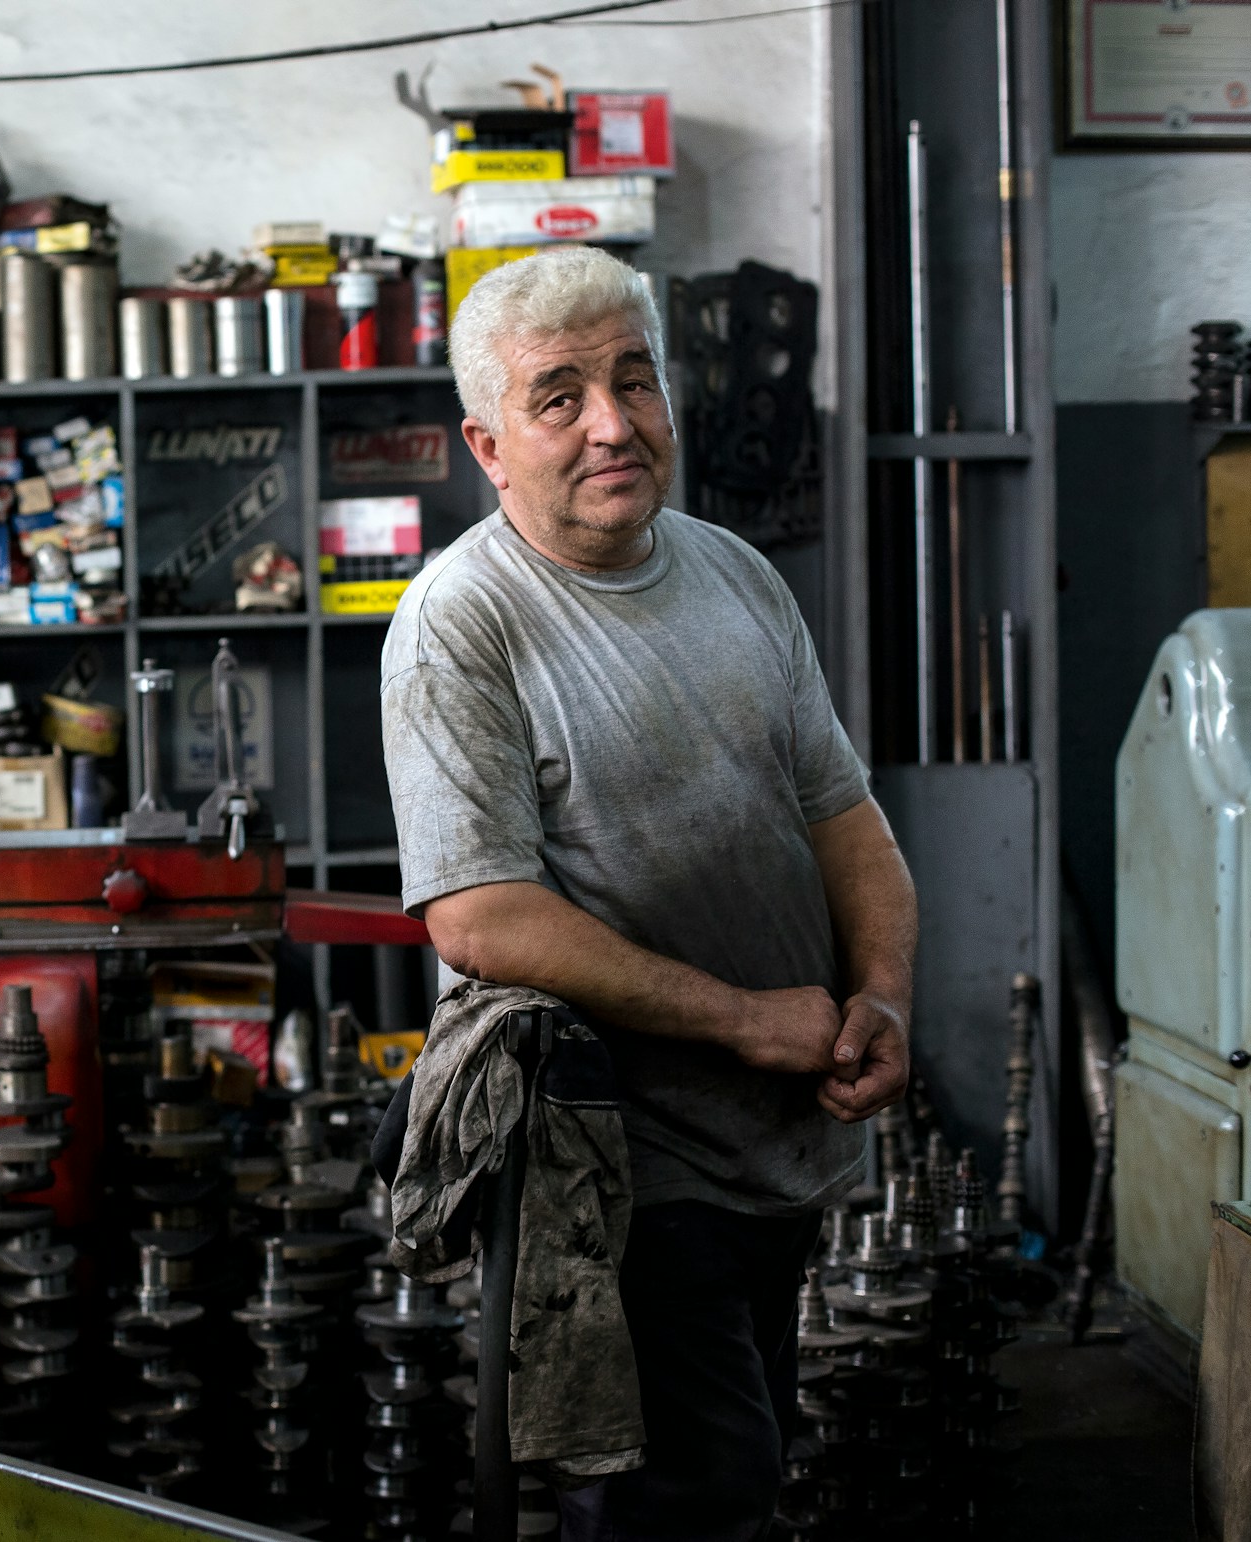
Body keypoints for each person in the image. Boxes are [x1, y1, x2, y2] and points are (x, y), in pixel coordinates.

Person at [380, 245, 916, 1541]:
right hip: (620, 1162)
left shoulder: (736, 574)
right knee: (693, 1490)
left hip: (780, 1138)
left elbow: (843, 814)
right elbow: (480, 913)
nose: (613, 422)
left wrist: (882, 996)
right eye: (559, 395)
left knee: (746, 1456)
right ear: (490, 444)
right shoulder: (462, 622)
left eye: (636, 379)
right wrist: (744, 1017)